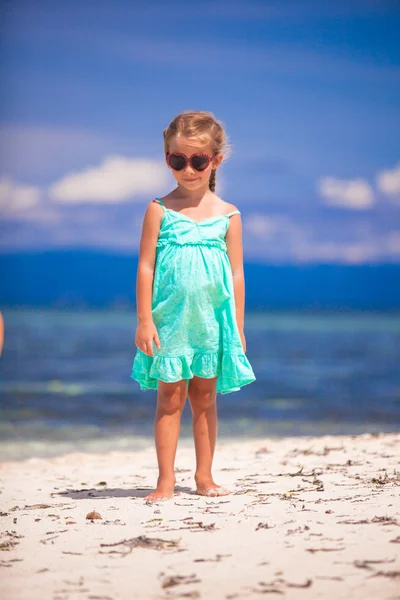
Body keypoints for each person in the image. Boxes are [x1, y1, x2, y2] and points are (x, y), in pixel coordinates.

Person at [131, 110, 256, 502]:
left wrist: (237, 327)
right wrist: (144, 320)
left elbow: (236, 274)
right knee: (170, 399)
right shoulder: (158, 209)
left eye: (198, 161)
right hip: (169, 322)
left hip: (212, 322)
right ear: (167, 159)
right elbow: (146, 266)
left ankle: (205, 477)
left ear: (215, 161)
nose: (188, 170)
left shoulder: (229, 215)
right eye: (177, 160)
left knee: (205, 399)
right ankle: (165, 481)